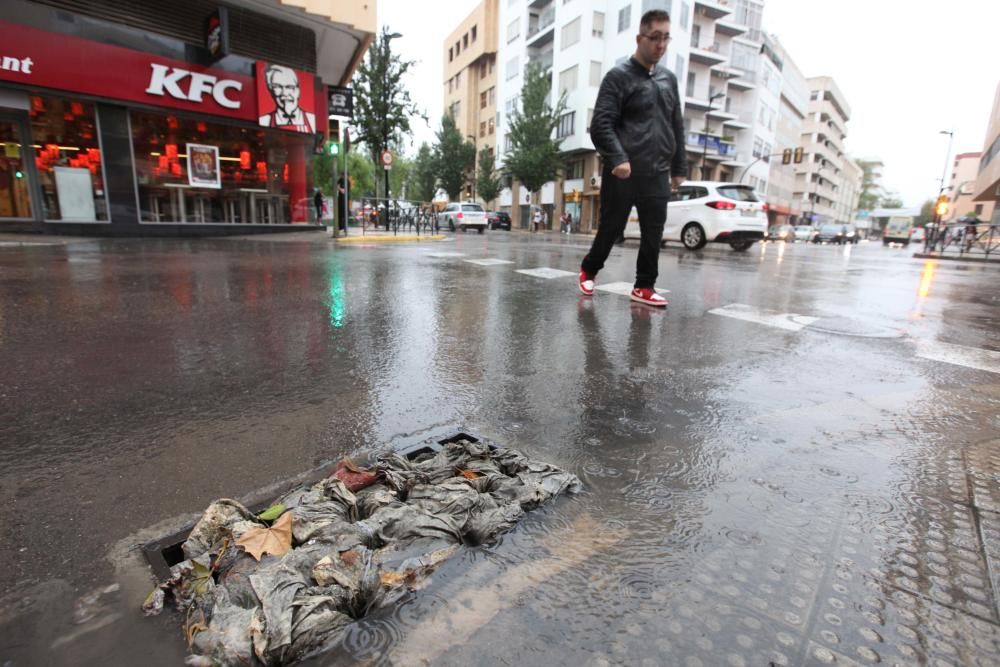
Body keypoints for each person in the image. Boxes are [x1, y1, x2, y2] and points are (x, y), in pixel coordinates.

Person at [578, 9, 687, 307]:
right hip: (623, 171)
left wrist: (679, 167)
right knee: (612, 228)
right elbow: (601, 123)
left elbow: (676, 123)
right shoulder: (618, 78)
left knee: (654, 231)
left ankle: (644, 285)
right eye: (655, 38)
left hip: (657, 170)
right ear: (640, 38)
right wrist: (618, 157)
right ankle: (590, 268)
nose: (661, 45)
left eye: (666, 38)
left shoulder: (669, 80)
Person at [258, 64, 316, 133]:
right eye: (277, 87)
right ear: (271, 91)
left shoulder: (311, 119)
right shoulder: (264, 120)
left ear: (298, 91)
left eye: (289, 87)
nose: (284, 93)